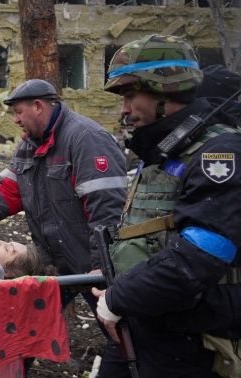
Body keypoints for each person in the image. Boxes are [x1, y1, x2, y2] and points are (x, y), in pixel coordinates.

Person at [93, 34, 241, 377]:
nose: (124, 109)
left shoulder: (219, 153)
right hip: (145, 321)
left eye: (130, 95)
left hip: (195, 342)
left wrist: (119, 298)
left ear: (164, 90)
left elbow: (203, 253)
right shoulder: (164, 150)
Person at [0, 79, 129, 376]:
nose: (15, 120)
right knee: (19, 333)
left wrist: (102, 268)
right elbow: (8, 190)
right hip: (51, 266)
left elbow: (107, 213)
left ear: (38, 107)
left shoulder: (86, 138)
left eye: (18, 112)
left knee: (121, 332)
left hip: (94, 268)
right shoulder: (28, 147)